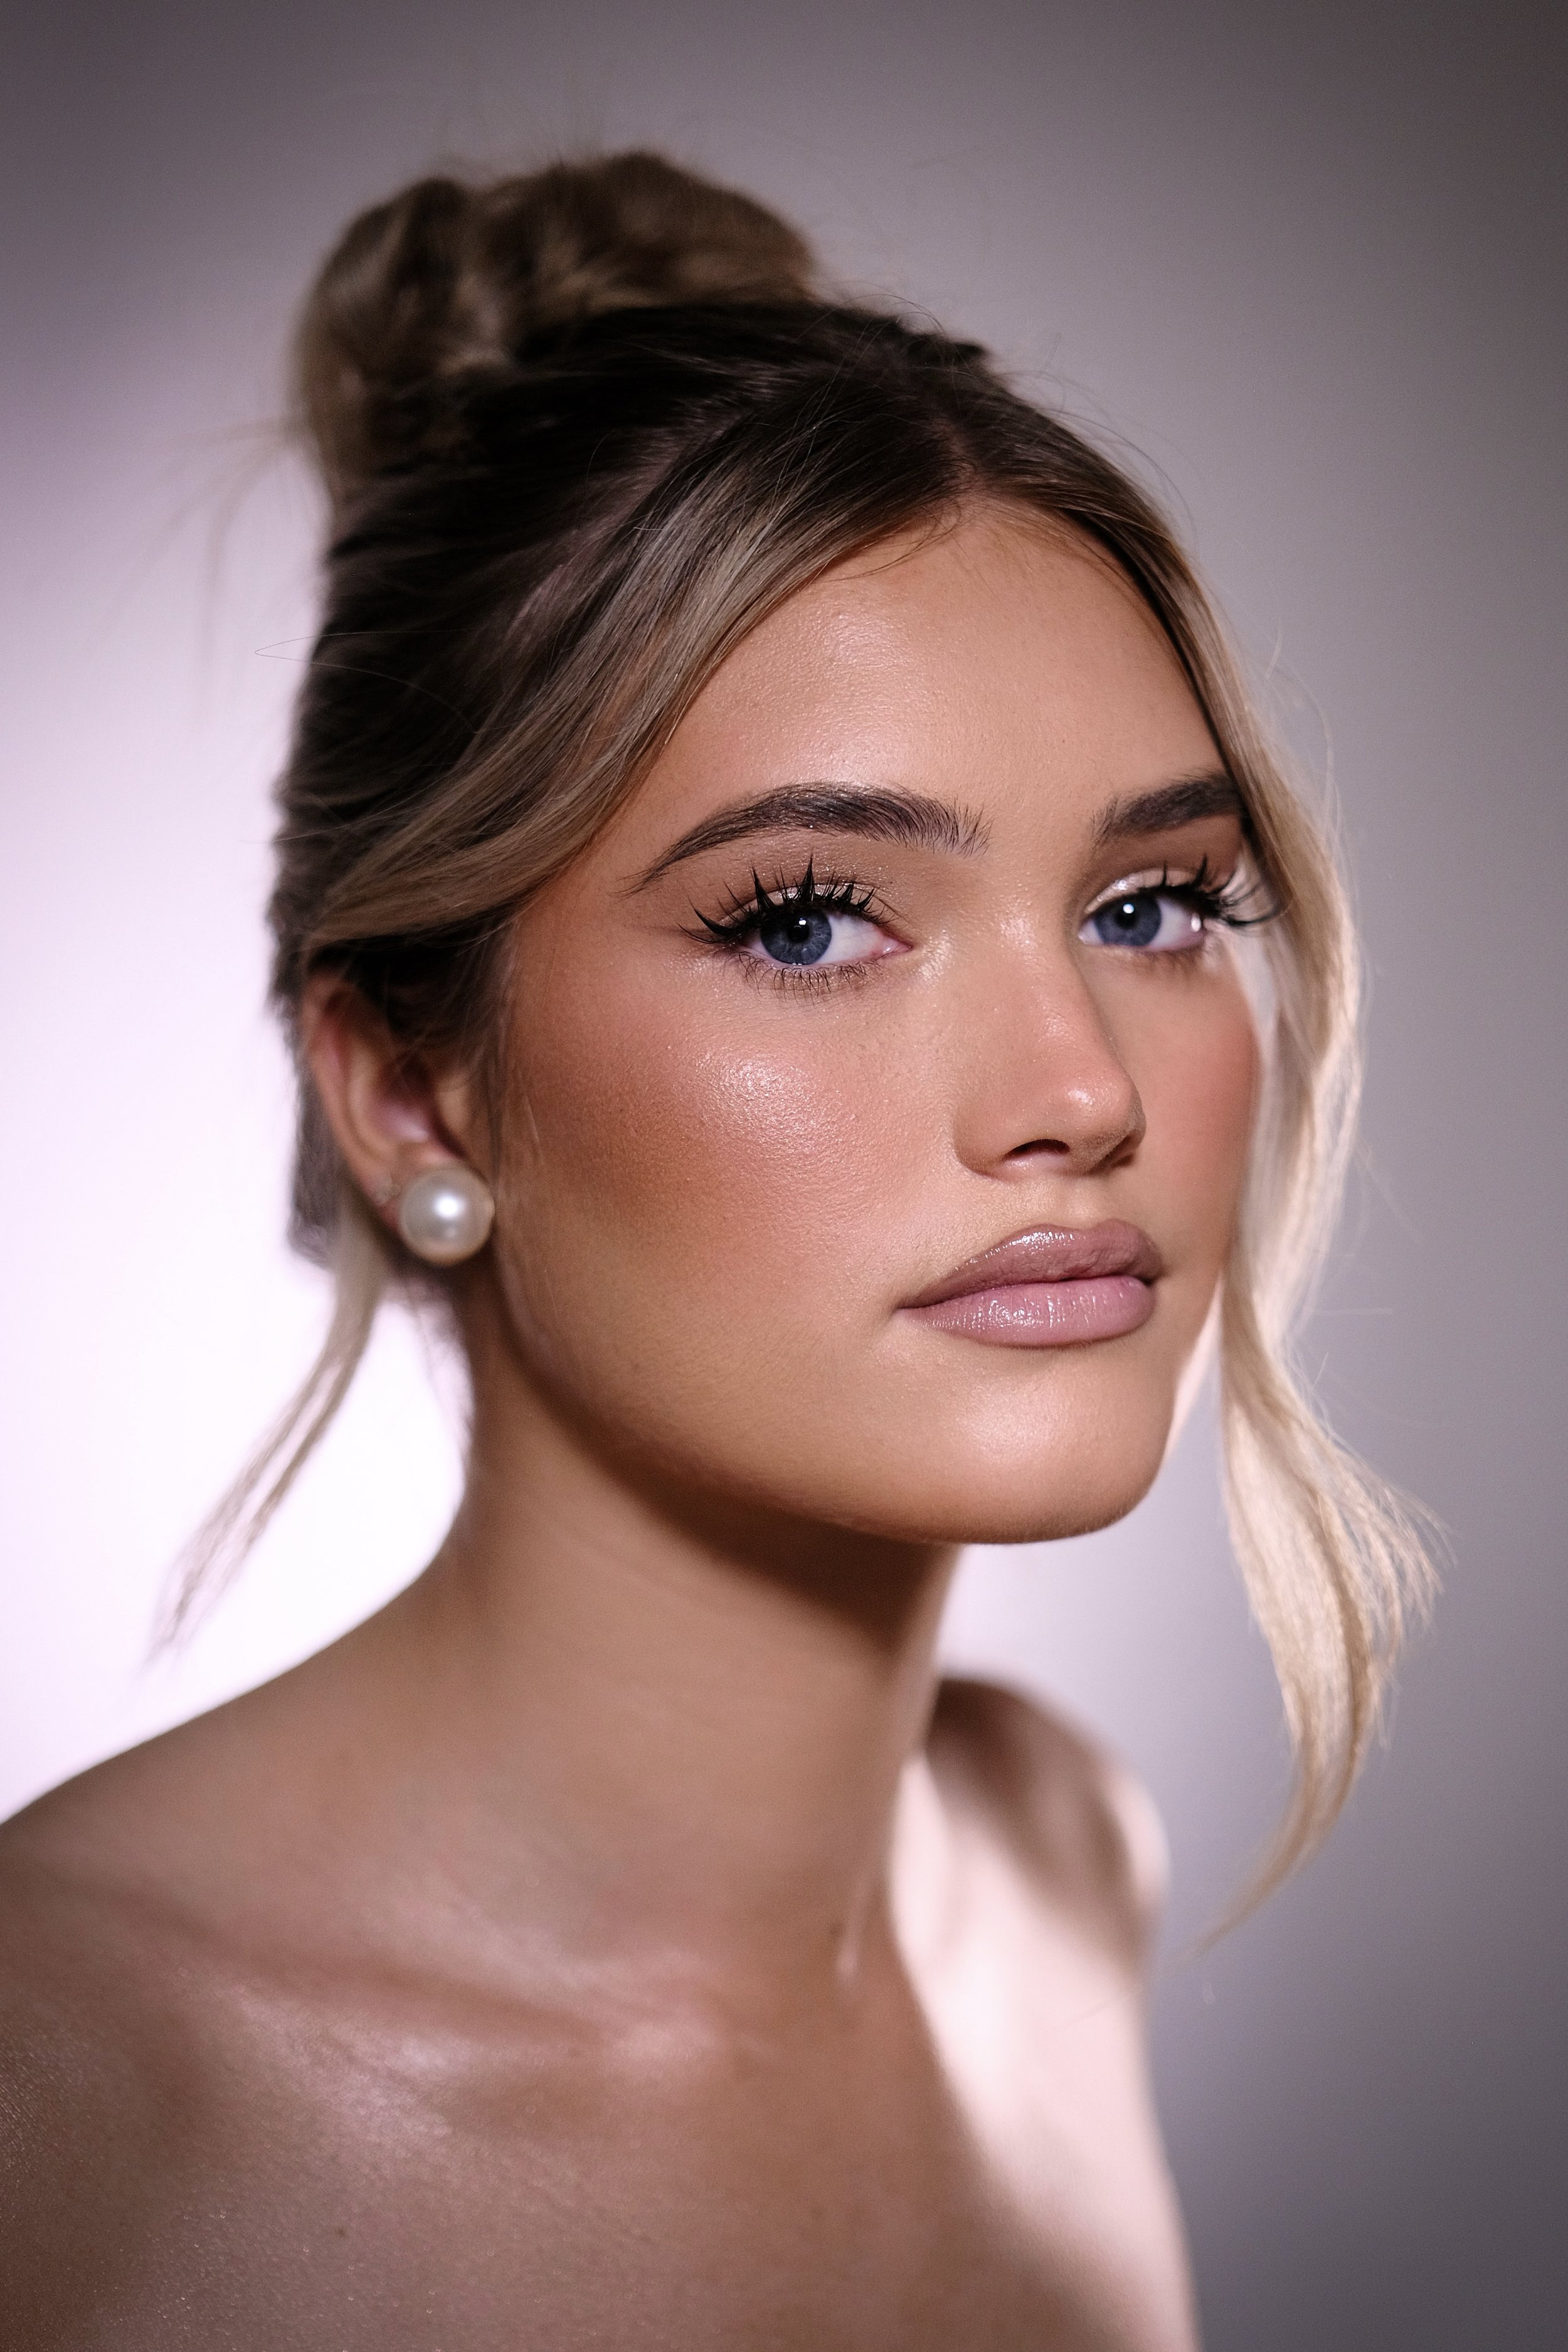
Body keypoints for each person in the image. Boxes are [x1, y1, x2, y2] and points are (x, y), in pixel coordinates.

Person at [0, 152, 1428, 2349]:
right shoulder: (65, 2093)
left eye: (1150, 905)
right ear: (410, 1092)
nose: (1079, 1089)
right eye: (808, 922)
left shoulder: (1057, 1864)